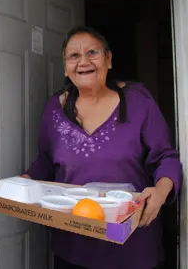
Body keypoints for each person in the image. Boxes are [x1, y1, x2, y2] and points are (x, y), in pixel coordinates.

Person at [23, 26, 182, 269]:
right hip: (74, 243)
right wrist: (21, 184)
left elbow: (165, 157)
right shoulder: (54, 109)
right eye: (73, 56)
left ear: (108, 59)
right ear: (66, 68)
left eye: (93, 52)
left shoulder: (138, 101)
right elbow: (45, 161)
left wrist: (161, 191)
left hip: (132, 244)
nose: (83, 61)